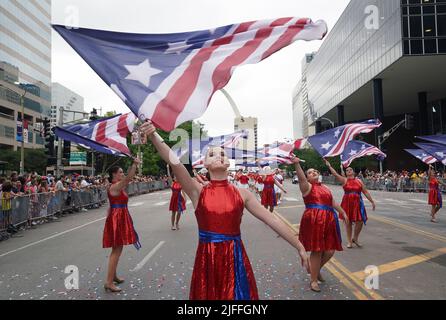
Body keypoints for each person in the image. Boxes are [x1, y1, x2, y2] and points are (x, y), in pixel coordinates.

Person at [140, 121, 309, 300]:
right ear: (205, 163)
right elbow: (174, 162)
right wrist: (153, 135)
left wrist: (298, 245)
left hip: (235, 257)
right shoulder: (197, 191)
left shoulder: (243, 194)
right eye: (212, 154)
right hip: (207, 258)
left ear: (228, 162)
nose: (219, 156)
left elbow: (271, 219)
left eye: (222, 154)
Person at [292, 155, 348, 293]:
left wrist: (344, 213)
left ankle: (315, 270)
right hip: (315, 219)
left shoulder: (325, 188)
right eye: (310, 172)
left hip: (329, 220)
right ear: (308, 177)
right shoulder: (307, 187)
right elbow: (301, 178)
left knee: (330, 250)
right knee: (317, 250)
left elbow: (332, 202)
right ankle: (313, 280)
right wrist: (297, 165)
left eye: (315, 171)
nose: (313, 172)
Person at [103, 158, 142, 293]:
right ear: (114, 174)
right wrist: (134, 164)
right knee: (117, 250)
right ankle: (108, 282)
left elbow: (110, 206)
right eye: (120, 172)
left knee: (117, 249)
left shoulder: (116, 186)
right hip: (117, 218)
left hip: (118, 217)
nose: (122, 174)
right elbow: (128, 179)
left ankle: (113, 276)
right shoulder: (115, 186)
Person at [324, 160, 376, 248]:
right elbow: (335, 174)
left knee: (360, 221)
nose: (349, 171)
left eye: (350, 170)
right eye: (347, 170)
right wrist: (329, 166)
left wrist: (372, 201)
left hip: (358, 203)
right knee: (348, 222)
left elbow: (365, 192)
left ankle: (355, 238)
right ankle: (349, 241)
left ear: (353, 172)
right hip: (347, 203)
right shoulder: (344, 180)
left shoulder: (359, 181)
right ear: (345, 173)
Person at [167, 164, 186, 230]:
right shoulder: (172, 183)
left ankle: (177, 223)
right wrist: (167, 168)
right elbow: (169, 176)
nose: (176, 178)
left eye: (177, 177)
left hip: (180, 199)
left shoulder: (181, 183)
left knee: (179, 212)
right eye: (175, 177)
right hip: (174, 199)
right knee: (173, 213)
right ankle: (172, 225)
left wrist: (185, 198)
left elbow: (183, 192)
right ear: (173, 178)